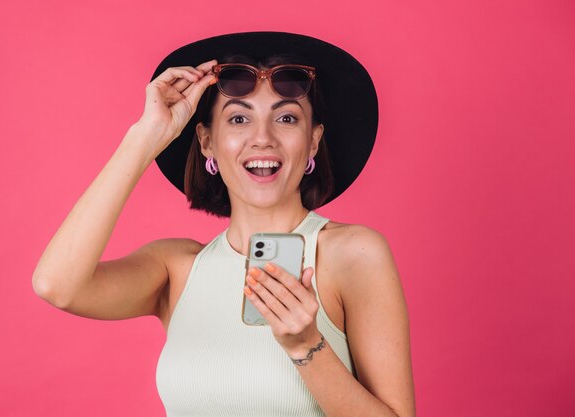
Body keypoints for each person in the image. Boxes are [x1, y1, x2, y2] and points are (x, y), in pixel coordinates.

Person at [33, 32, 416, 417]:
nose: (262, 138)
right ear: (206, 142)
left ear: (313, 141)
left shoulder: (354, 254)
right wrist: (147, 136)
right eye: (238, 118)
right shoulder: (178, 268)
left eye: (286, 118)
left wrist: (306, 347)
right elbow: (57, 285)